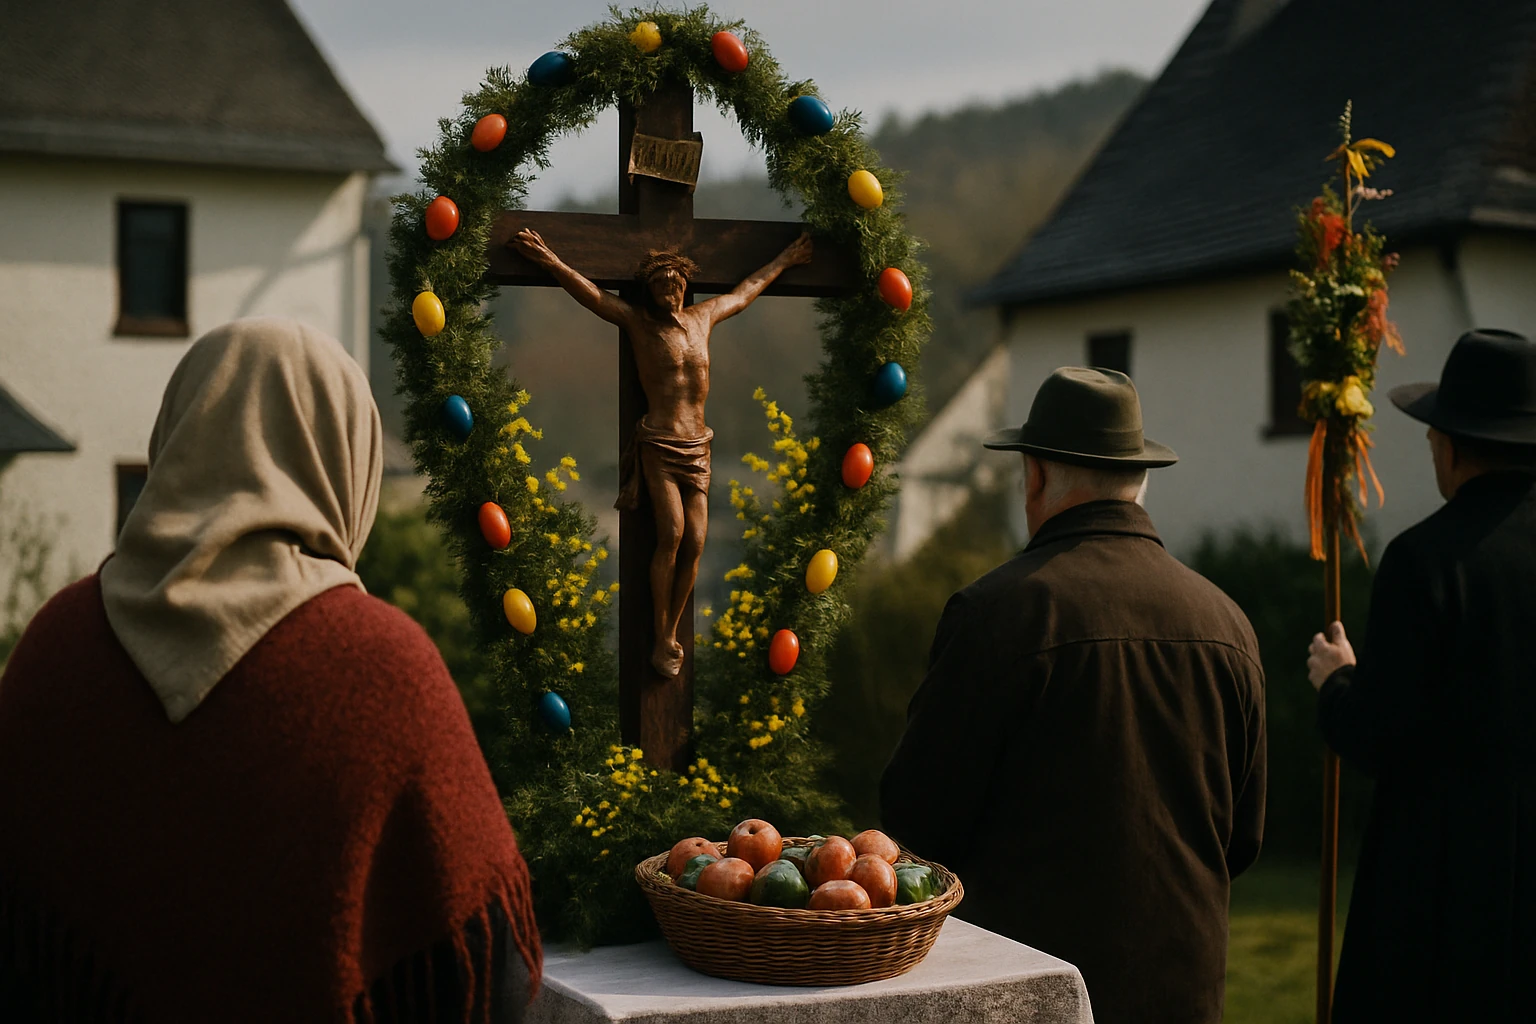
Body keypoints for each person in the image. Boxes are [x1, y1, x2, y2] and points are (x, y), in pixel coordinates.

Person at [0, 318, 541, 1022]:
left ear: (174, 437)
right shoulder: (386, 666)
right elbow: (485, 970)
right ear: (348, 459)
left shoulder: (55, 647)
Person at [881, 367, 1267, 1024]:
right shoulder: (1227, 624)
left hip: (1032, 992)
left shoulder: (999, 614)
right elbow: (1243, 837)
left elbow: (918, 817)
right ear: (1137, 480)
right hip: (1185, 989)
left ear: (1034, 475)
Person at [1304, 328, 1536, 1022]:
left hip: (1446, 893)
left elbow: (1380, 736)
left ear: (1453, 445)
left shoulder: (1426, 561)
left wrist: (1337, 681)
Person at [511, 227, 812, 678]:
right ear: (649, 291)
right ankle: (662, 635)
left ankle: (670, 629)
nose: (668, 291)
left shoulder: (703, 318)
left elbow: (746, 292)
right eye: (659, 285)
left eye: (674, 284)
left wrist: (785, 259)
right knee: (671, 534)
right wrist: (549, 260)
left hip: (700, 444)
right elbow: (594, 296)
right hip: (660, 441)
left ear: (685, 286)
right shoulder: (640, 324)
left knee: (696, 540)